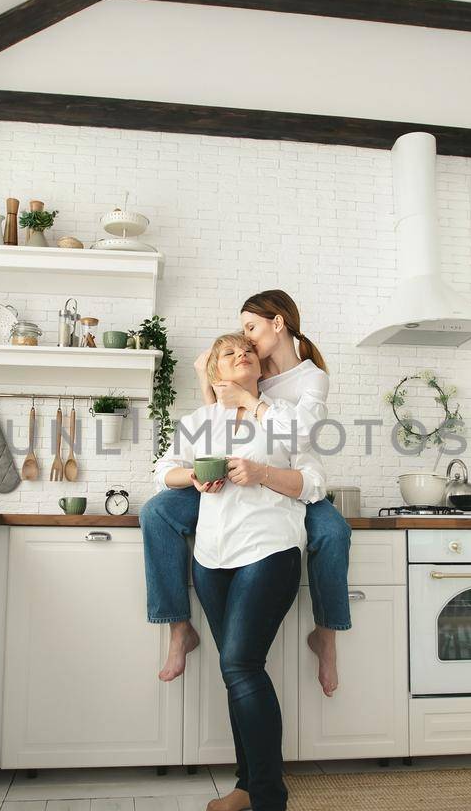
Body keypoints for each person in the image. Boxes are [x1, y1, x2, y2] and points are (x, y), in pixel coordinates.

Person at [154, 333, 324, 811]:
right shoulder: (199, 422)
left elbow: (314, 481)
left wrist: (261, 473)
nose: (242, 355)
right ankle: (248, 783)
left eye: (247, 351)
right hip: (212, 557)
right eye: (229, 353)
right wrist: (193, 478)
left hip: (268, 550)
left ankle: (270, 807)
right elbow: (163, 470)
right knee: (235, 670)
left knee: (242, 664)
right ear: (213, 371)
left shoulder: (285, 415)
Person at [142, 290, 353, 694]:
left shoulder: (309, 377)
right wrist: (210, 382)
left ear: (279, 324)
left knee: (332, 533)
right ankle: (178, 626)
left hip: (285, 476)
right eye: (241, 335)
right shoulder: (251, 366)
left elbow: (298, 437)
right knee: (157, 513)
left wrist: (246, 398)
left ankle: (326, 634)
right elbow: (220, 421)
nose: (246, 342)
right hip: (233, 474)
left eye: (251, 329)